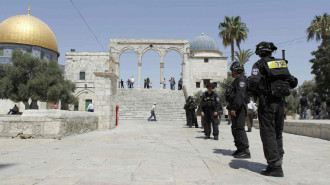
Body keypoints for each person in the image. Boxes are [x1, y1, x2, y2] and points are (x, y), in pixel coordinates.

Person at [248, 41, 298, 177]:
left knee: (268, 133)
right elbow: (293, 82)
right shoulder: (281, 63)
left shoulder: (259, 64)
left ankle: (275, 166)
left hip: (267, 103)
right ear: (271, 51)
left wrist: (255, 90)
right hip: (281, 103)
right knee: (277, 133)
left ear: (259, 53)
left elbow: (253, 82)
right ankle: (278, 160)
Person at [226, 61, 251, 159]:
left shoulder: (241, 80)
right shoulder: (236, 80)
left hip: (239, 108)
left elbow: (239, 96)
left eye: (233, 70)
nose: (232, 72)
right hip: (234, 108)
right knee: (235, 128)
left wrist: (235, 108)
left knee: (240, 128)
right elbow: (232, 96)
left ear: (237, 70)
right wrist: (230, 108)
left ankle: (245, 150)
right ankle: (240, 148)